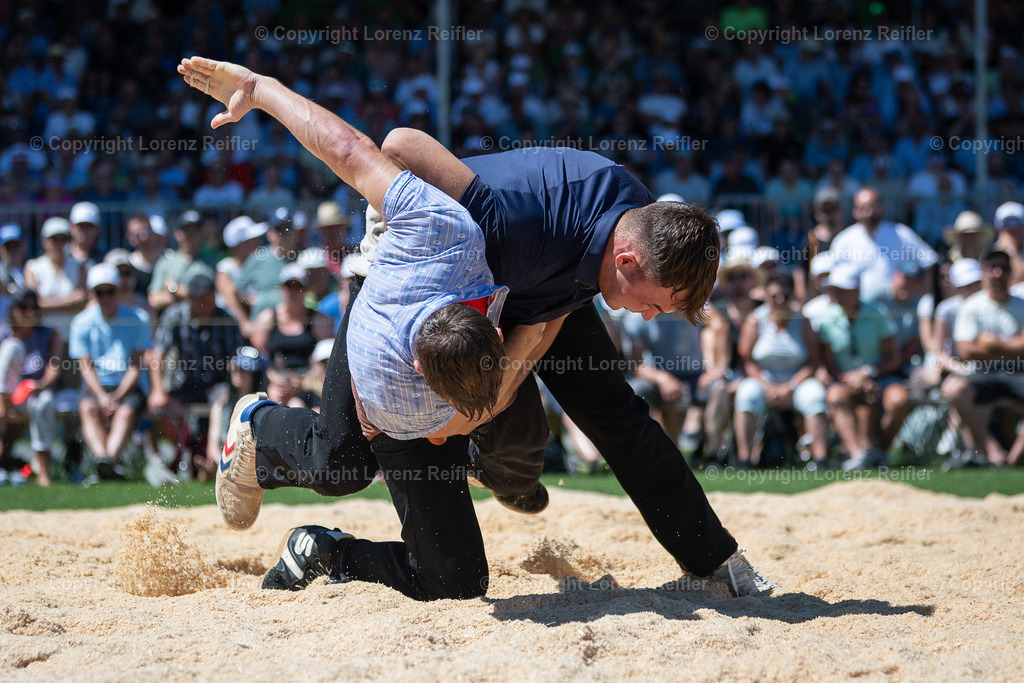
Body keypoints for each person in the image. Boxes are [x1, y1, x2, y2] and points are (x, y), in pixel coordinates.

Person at [179, 55, 774, 600]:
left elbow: (545, 319)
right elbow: (396, 146)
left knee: (612, 413)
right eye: (655, 304)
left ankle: (712, 559)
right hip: (420, 295)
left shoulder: (633, 224)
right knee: (342, 463)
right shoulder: (502, 223)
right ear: (627, 261)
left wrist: (507, 372)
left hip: (518, 294)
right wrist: (265, 95)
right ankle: (259, 428)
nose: (649, 316)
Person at [734, 273, 828, 467]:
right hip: (763, 379)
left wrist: (791, 386)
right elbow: (746, 360)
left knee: (815, 396)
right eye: (773, 296)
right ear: (766, 296)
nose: (779, 301)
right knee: (746, 394)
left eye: (784, 296)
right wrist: (766, 385)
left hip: (797, 380)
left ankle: (820, 459)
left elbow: (814, 362)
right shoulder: (755, 320)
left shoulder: (803, 321)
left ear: (792, 296)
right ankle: (744, 459)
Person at [943, 249, 1024, 467]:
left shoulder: (1021, 304)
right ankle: (992, 450)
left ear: (1011, 272)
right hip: (982, 372)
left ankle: (1016, 456)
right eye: (993, 268)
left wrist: (993, 343)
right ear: (984, 272)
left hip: (1018, 371)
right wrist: (1014, 345)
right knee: (953, 388)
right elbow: (966, 352)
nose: (998, 273)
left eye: (1004, 268)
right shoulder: (972, 306)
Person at [816, 264, 902, 470]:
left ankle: (880, 452)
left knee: (899, 400)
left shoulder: (877, 313)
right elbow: (827, 362)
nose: (838, 295)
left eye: (843, 290)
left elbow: (893, 358)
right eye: (836, 290)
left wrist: (868, 373)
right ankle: (859, 455)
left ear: (857, 291)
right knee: (836, 397)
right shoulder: (827, 319)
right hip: (844, 379)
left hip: (881, 376)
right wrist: (848, 379)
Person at [69, 264, 151, 477]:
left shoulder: (138, 318)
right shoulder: (81, 322)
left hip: (126, 386)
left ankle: (105, 462)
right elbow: (86, 367)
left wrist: (115, 396)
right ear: (91, 294)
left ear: (119, 290)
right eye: (99, 292)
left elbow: (135, 366)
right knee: (88, 408)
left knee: (125, 412)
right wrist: (102, 396)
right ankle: (105, 462)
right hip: (97, 385)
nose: (105, 297)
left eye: (110, 291)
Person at [829, 187, 938, 303]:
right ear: (854, 211)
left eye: (872, 207)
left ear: (881, 207)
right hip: (859, 313)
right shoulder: (843, 240)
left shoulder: (901, 234)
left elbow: (929, 261)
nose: (868, 213)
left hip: (894, 310)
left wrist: (921, 296)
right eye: (862, 209)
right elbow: (833, 277)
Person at [0, 289, 61, 486]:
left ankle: (43, 471)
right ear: (13, 310)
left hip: (34, 393)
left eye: (34, 308)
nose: (30, 313)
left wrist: (40, 385)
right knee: (12, 347)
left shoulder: (49, 333)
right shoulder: (4, 333)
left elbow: (54, 367)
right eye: (24, 308)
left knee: (44, 403)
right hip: (5, 395)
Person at [251, 263, 332, 372]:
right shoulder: (267, 318)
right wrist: (273, 377)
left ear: (306, 289)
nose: (292, 292)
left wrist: (310, 379)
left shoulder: (318, 320)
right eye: (288, 286)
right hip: (276, 381)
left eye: (298, 287)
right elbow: (260, 356)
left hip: (311, 381)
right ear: (281, 289)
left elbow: (327, 356)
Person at [24, 217, 87, 343]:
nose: (59, 243)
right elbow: (34, 305)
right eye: (54, 239)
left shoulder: (79, 266)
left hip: (73, 338)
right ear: (44, 241)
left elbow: (82, 303)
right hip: (43, 340)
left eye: (63, 239)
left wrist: (47, 305)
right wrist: (70, 302)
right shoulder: (33, 267)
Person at [148, 210, 216, 316]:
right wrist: (192, 296)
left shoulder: (209, 262)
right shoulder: (165, 262)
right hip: (173, 324)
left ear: (201, 233)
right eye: (186, 231)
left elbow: (208, 300)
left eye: (195, 230)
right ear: (177, 233)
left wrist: (173, 288)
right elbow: (154, 300)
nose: (191, 235)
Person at [216, 215, 267, 340]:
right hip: (229, 330)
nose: (258, 242)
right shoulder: (226, 268)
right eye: (252, 239)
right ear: (240, 245)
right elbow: (229, 296)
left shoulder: (259, 266)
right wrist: (244, 322)